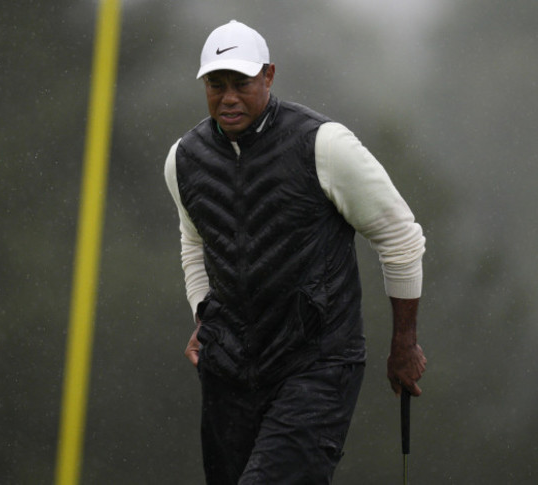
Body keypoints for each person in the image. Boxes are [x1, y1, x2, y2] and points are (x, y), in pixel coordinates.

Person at [164, 20, 427, 484]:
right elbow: (194, 241)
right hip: (230, 369)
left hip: (317, 363)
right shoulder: (184, 158)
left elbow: (399, 236)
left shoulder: (324, 145)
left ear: (268, 75)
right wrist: (203, 316)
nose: (228, 98)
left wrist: (403, 344)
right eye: (216, 85)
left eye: (241, 84)